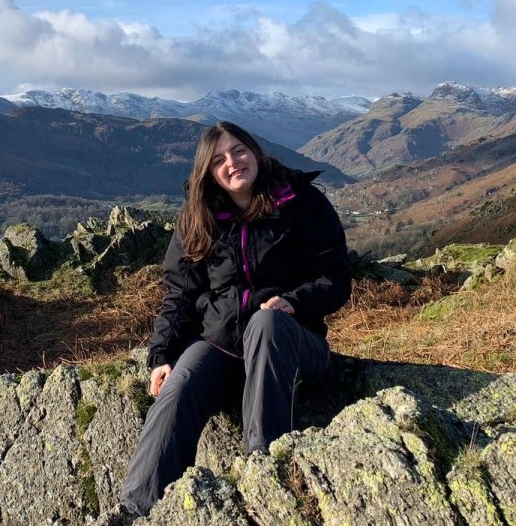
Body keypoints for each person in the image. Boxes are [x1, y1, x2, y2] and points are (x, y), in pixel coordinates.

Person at [120, 121, 352, 516]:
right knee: (181, 384)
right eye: (218, 160)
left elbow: (337, 279)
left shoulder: (302, 202)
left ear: (255, 151)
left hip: (293, 343)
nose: (233, 163)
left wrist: (294, 302)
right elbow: (180, 294)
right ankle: (137, 511)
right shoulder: (198, 218)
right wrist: (161, 356)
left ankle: (263, 471)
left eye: (239, 150)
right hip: (223, 346)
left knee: (266, 323)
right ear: (208, 173)